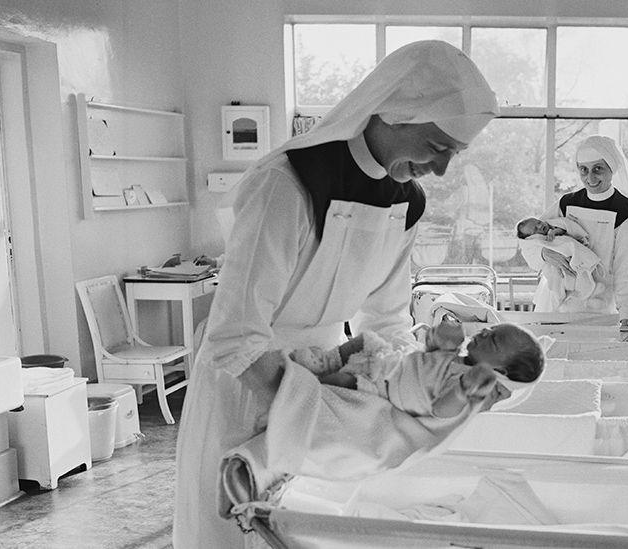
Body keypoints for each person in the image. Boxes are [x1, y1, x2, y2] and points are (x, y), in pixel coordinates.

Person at [173, 40, 497, 548]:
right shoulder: (287, 181)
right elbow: (235, 333)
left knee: (309, 530)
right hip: (245, 382)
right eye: (436, 148)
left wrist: (414, 390)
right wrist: (307, 421)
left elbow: (386, 322)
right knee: (237, 532)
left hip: (326, 382)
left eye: (453, 155)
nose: (440, 171)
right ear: (394, 111)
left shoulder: (406, 201)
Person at [520, 135, 628, 323]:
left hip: (598, 306)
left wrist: (626, 315)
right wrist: (544, 254)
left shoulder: (626, 211)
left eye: (598, 169)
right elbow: (528, 241)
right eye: (584, 169)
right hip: (555, 303)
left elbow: (627, 269)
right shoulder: (567, 203)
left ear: (611, 169)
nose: (590, 177)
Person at [301, 321, 544, 419]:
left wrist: (461, 391)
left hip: (384, 389)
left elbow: (442, 411)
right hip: (392, 365)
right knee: (365, 340)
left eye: (492, 341)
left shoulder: (471, 386)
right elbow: (427, 357)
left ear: (499, 370)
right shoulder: (459, 358)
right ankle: (326, 360)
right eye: (489, 330)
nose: (483, 333)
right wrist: (438, 340)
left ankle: (311, 384)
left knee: (344, 382)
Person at [516, 216, 603, 306]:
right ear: (532, 236)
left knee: (580, 273)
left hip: (571, 257)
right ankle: (562, 297)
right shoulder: (534, 242)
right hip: (553, 266)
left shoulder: (552, 227)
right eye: (535, 229)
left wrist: (554, 232)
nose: (539, 226)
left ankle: (587, 293)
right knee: (556, 280)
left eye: (538, 222)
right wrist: (543, 252)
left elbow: (564, 227)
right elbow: (529, 253)